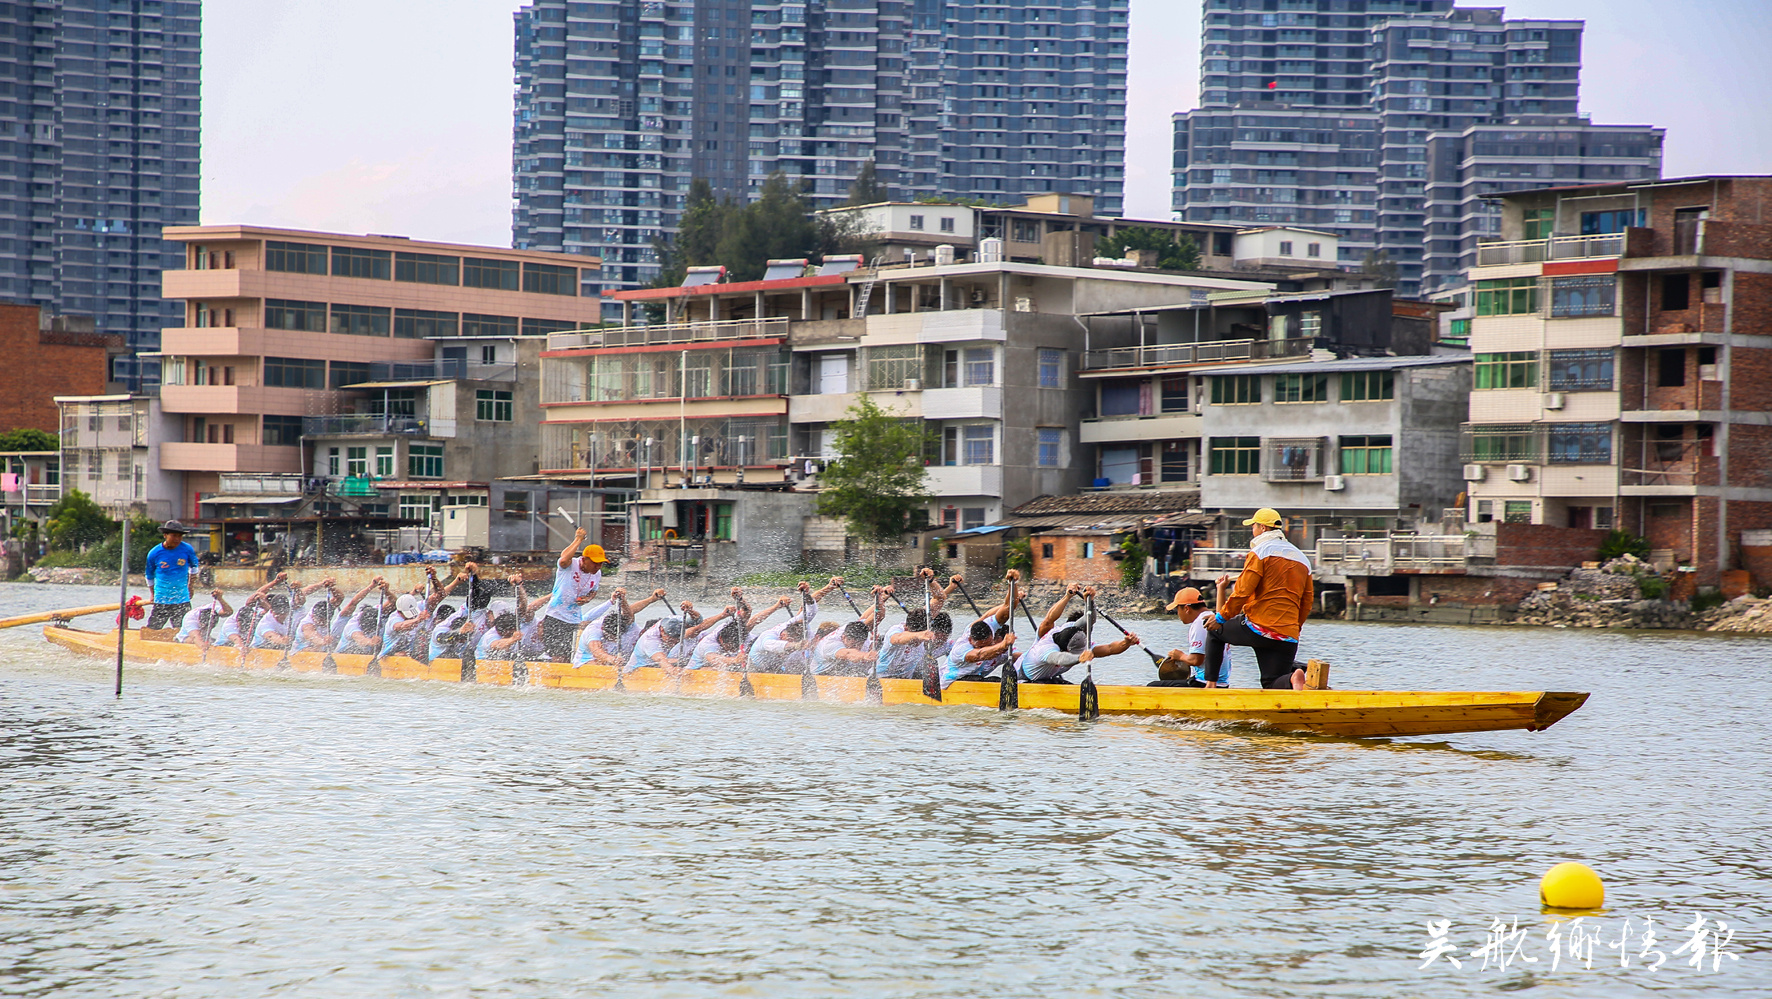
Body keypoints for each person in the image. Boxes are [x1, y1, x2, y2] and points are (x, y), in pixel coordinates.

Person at [1204, 508, 1313, 690]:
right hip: (1288, 634)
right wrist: (1295, 628)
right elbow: (1307, 601)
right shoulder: (1303, 559)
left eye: (1253, 525)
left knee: (1215, 631)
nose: (1252, 529)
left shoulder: (1260, 552)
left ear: (1262, 528)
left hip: (1259, 627)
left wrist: (1221, 617)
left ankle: (1211, 685)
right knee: (1272, 682)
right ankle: (1293, 678)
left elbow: (1243, 591)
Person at [1018, 587, 1139, 684]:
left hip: (1045, 678)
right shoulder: (1046, 648)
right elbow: (1059, 658)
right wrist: (1079, 658)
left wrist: (1090, 602)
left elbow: (1110, 648)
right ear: (1068, 649)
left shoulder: (1075, 633)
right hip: (1021, 677)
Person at [540, 527, 608, 662]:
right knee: (559, 657)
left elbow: (593, 591)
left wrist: (588, 599)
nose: (598, 567)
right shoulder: (571, 565)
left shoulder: (597, 573)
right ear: (585, 559)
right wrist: (578, 539)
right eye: (595, 563)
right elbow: (564, 559)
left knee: (567, 658)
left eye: (600, 563)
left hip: (574, 619)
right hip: (556, 617)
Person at [1153, 586, 1229, 688]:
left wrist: (1180, 656)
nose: (1178, 613)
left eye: (1177, 609)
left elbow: (1196, 660)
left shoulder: (1200, 623)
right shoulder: (1212, 618)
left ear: (1186, 608)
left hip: (1205, 684)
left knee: (1152, 686)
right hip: (1220, 683)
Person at [143, 520, 200, 632]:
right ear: (165, 535)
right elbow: (149, 576)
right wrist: (152, 593)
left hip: (182, 598)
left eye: (179, 536)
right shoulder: (154, 553)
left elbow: (194, 568)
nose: (177, 539)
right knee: (153, 630)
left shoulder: (187, 549)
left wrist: (191, 586)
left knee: (185, 630)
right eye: (174, 536)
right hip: (162, 598)